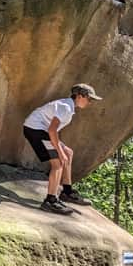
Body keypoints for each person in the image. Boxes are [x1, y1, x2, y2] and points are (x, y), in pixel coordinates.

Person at [23, 83, 102, 215]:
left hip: (41, 130)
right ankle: (50, 201)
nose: (90, 102)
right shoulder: (65, 107)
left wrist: (62, 150)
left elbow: (51, 130)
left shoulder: (68, 106)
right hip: (35, 130)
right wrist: (59, 151)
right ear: (79, 96)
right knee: (58, 163)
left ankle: (67, 191)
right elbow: (52, 130)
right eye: (89, 99)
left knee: (68, 153)